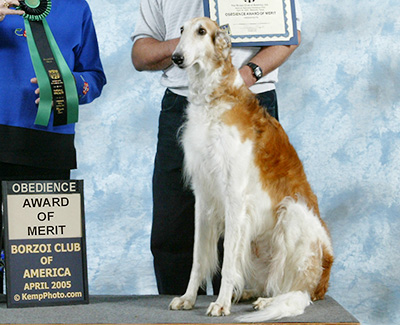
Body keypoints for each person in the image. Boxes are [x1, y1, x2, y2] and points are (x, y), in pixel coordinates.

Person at [131, 0, 302, 295]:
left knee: (249, 221)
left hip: (248, 99)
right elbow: (141, 54)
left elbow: (290, 36)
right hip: (183, 104)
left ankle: (235, 303)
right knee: (173, 229)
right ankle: (180, 308)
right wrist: (189, 42)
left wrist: (244, 76)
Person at [0, 0, 106, 292]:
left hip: (50, 146)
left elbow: (95, 76)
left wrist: (73, 84)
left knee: (43, 282)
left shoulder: (77, 7)